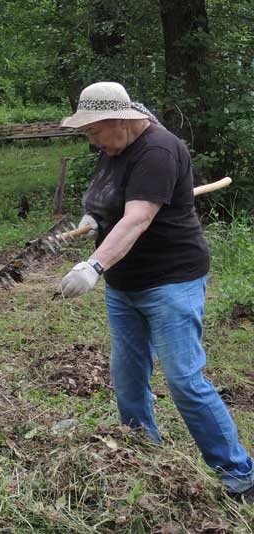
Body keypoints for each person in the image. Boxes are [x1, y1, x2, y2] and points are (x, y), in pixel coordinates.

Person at [59, 81, 253, 502]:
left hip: (171, 281)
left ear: (116, 120)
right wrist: (94, 217)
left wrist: (93, 265)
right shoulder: (113, 148)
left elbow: (136, 219)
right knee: (127, 378)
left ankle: (240, 475)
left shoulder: (159, 150)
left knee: (184, 380)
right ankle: (143, 453)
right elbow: (111, 201)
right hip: (125, 284)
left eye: (92, 131)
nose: (90, 140)